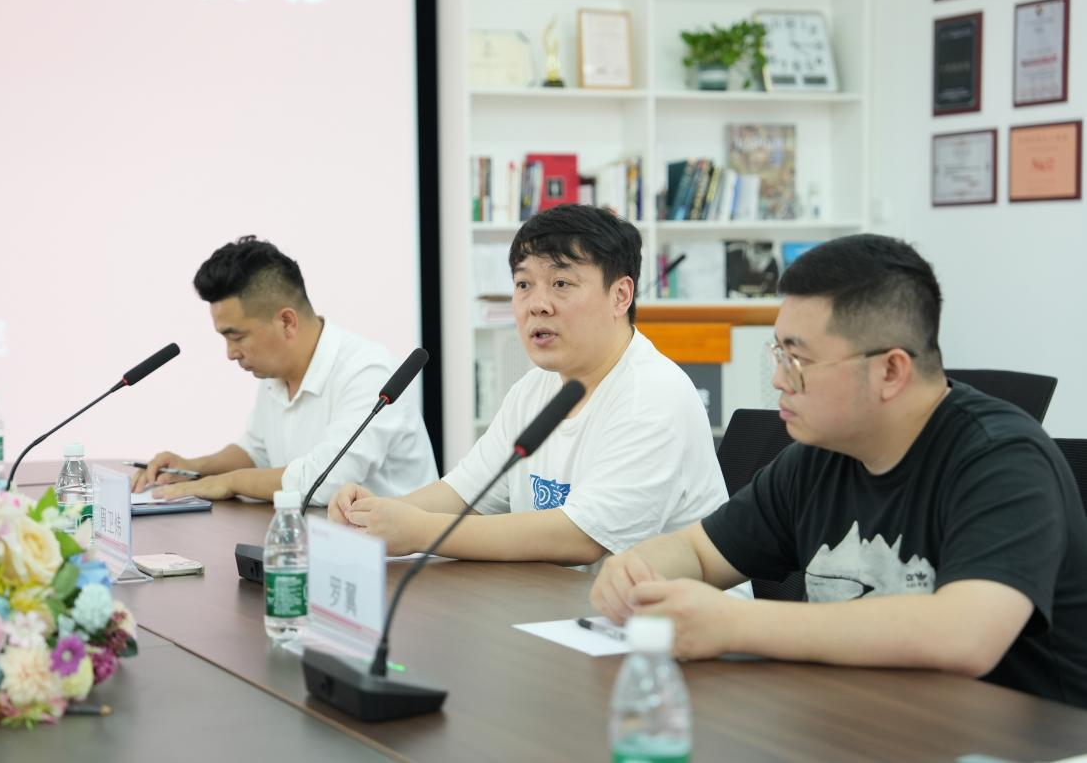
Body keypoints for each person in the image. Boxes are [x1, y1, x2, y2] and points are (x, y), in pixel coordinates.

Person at [589, 234, 1087, 708]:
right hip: (863, 720)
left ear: (890, 370)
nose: (778, 379)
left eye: (798, 359)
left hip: (1021, 739)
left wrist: (736, 624)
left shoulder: (1003, 460)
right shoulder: (819, 455)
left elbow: (966, 634)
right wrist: (636, 570)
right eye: (778, 354)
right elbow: (700, 552)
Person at [328, 205, 729, 566]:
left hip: (680, 620)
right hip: (568, 606)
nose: (537, 304)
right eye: (523, 285)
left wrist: (420, 531)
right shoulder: (534, 389)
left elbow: (581, 538)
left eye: (561, 283)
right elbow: (466, 494)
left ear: (620, 296)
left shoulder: (653, 395)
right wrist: (373, 515)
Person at [131, 236, 437, 506]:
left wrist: (230, 481)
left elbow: (325, 481)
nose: (230, 353)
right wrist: (194, 468)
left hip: (396, 551)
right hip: (317, 540)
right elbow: (256, 452)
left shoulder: (369, 372)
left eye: (237, 336)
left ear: (287, 322)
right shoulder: (275, 374)